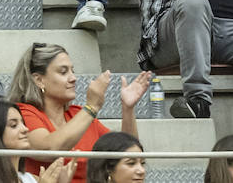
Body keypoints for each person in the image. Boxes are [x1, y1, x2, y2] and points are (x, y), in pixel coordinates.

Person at [9, 44, 148, 183]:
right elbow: (49, 148)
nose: (73, 78)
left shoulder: (78, 115)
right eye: (63, 72)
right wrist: (92, 106)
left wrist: (128, 109)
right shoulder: (23, 113)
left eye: (72, 71)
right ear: (39, 80)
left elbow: (126, 151)